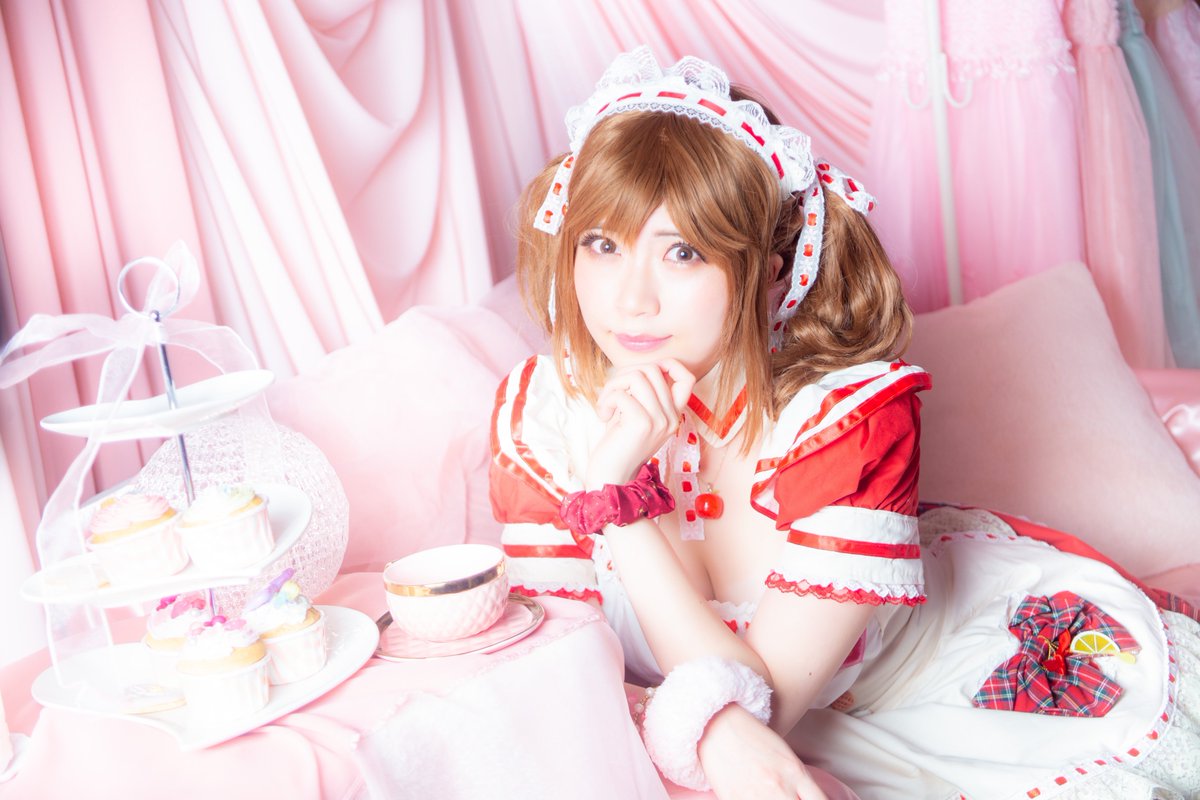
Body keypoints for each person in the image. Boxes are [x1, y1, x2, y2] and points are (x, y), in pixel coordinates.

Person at [488, 47, 1200, 800]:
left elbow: (763, 713)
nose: (631, 300)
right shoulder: (546, 413)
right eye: (603, 244)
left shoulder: (847, 425)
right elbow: (558, 675)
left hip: (928, 699)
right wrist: (710, 725)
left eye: (683, 253)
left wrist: (616, 500)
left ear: (768, 269)